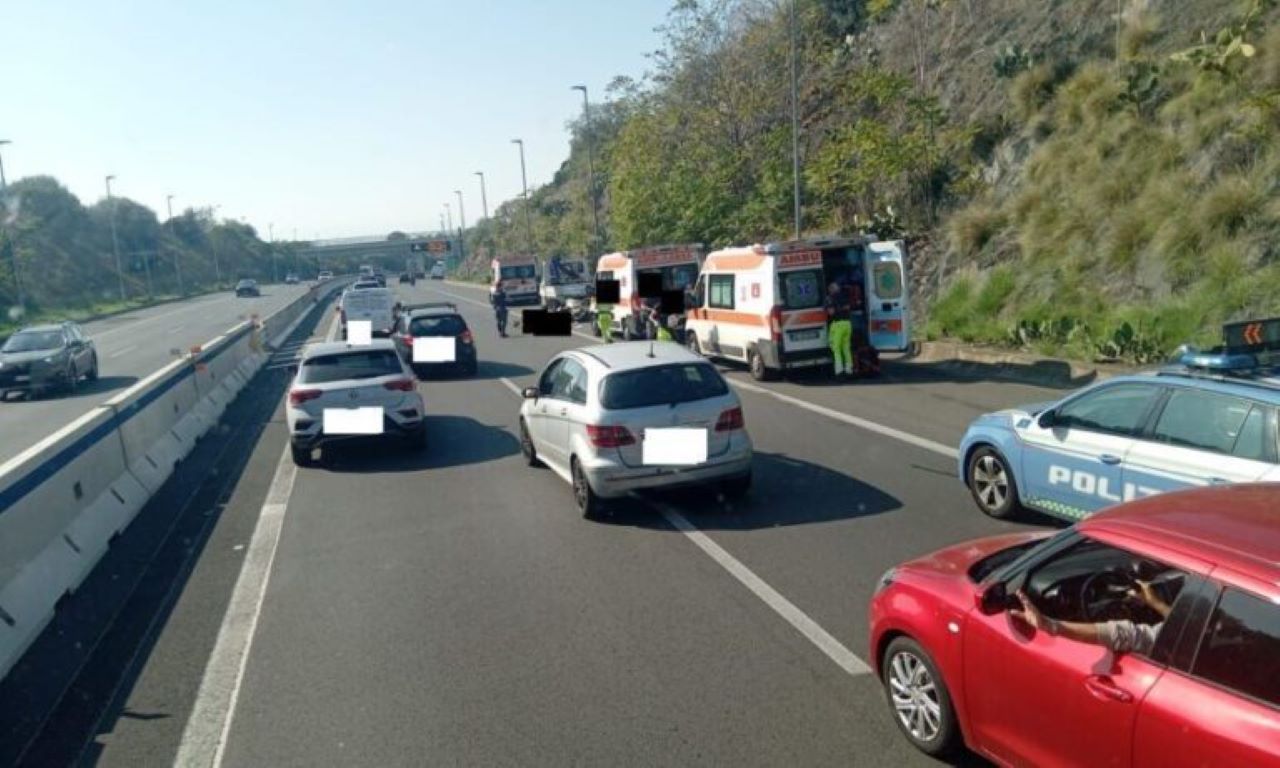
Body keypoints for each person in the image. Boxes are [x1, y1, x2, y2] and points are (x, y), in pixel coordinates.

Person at [1011, 578, 1174, 655]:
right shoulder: (1196, 634)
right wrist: (1156, 604)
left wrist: (1050, 625)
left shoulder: (1177, 643)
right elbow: (1185, 628)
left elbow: (1129, 635)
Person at [824, 281, 853, 377]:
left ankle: (839, 371)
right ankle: (849, 370)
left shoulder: (829, 299)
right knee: (846, 348)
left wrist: (831, 310)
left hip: (838, 325)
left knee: (836, 348)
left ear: (831, 290)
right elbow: (848, 307)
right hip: (847, 324)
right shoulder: (845, 296)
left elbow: (831, 313)